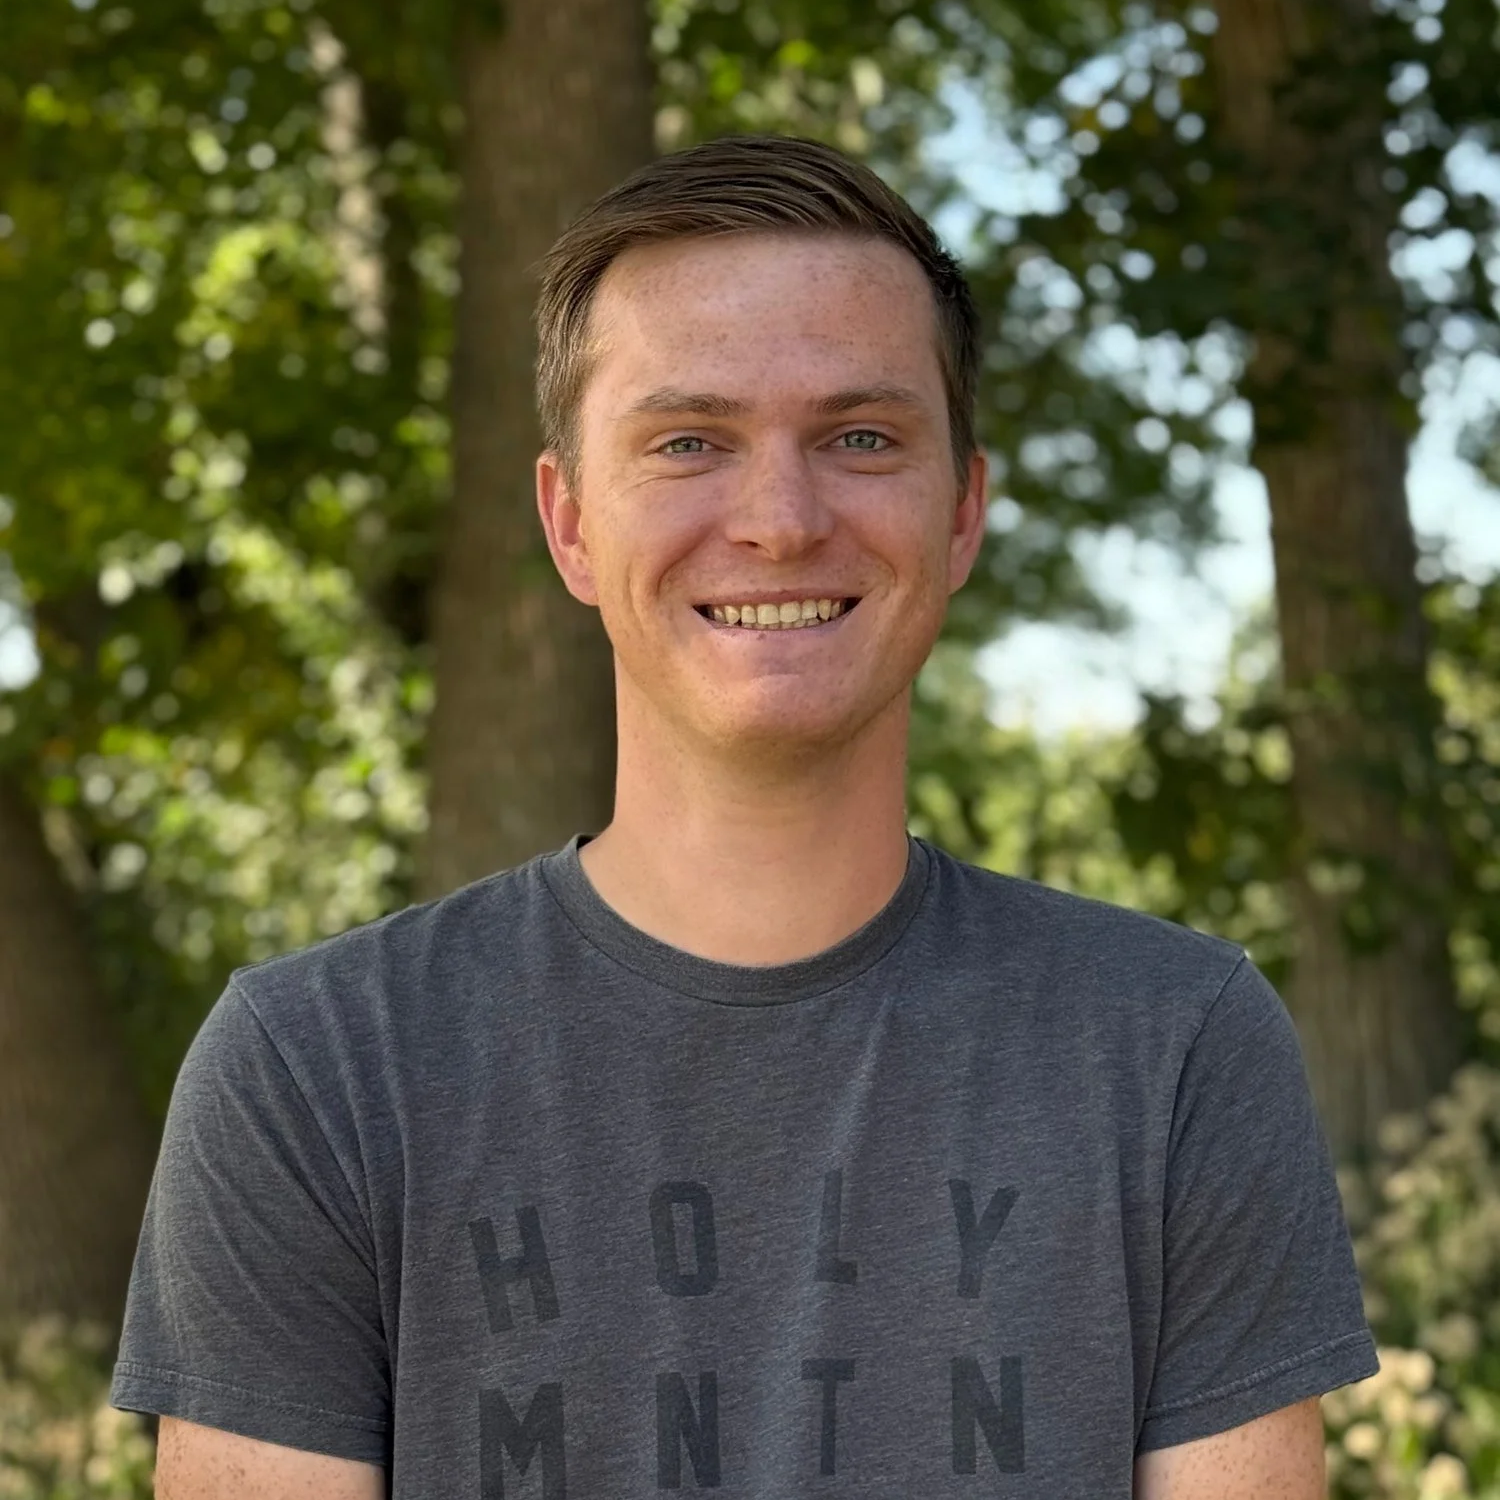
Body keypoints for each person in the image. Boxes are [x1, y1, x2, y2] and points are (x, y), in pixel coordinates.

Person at [110, 134, 1379, 1498]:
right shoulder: (316, 1073)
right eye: (689, 441)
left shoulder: (1176, 1047)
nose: (778, 518)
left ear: (963, 514)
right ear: (572, 522)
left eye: (861, 437)